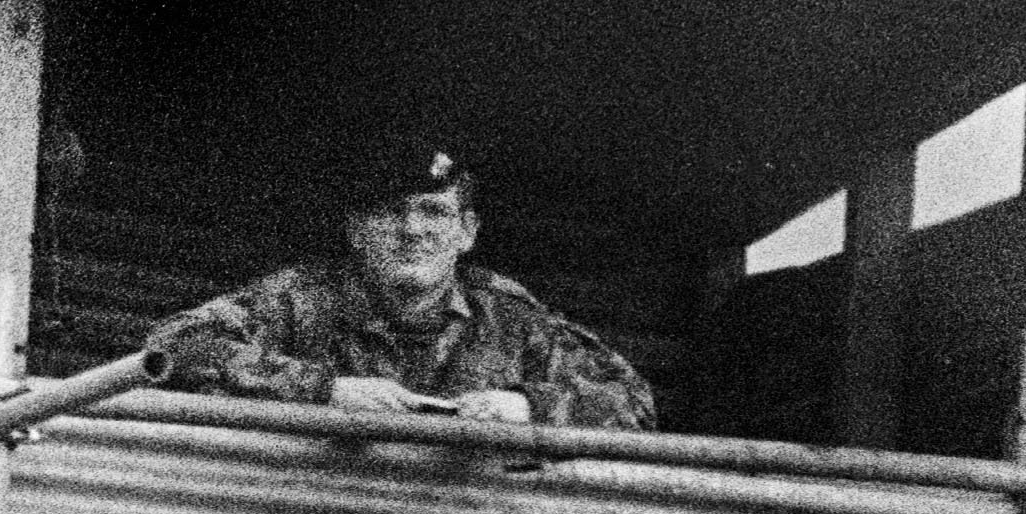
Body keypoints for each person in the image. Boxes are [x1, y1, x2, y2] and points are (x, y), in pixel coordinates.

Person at [154, 128, 657, 430]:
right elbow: (173, 346)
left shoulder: (507, 315)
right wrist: (325, 391)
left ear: (466, 232)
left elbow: (632, 401)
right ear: (355, 230)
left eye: (433, 213)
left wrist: (527, 405)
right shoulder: (303, 298)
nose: (412, 230)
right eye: (390, 212)